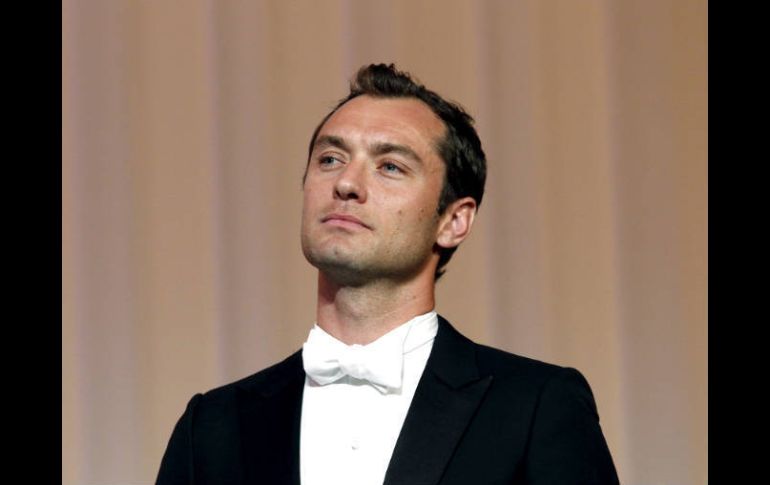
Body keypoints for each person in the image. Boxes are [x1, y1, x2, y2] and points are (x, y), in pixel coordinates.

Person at [156, 63, 620, 485]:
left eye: (390, 166)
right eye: (330, 159)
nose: (346, 183)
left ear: (453, 221)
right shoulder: (212, 426)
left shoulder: (535, 406)